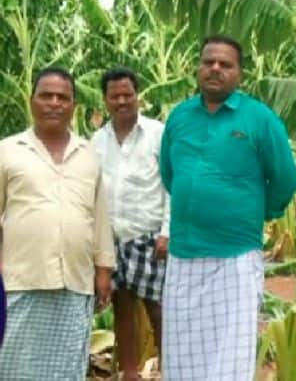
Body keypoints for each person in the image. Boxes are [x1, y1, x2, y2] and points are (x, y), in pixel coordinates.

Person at [159, 34, 296, 380]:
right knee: (181, 355)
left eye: (225, 64)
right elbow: (169, 173)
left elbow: (284, 179)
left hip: (234, 258)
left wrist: (256, 213)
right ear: (198, 68)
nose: (215, 69)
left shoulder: (259, 119)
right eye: (208, 62)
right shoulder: (179, 117)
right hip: (183, 257)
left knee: (229, 359)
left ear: (240, 73)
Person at [0, 67, 115, 380]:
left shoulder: (88, 153)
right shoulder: (7, 151)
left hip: (75, 283)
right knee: (7, 366)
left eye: (63, 97)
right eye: (46, 96)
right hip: (21, 280)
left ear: (73, 106)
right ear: (32, 101)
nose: (54, 103)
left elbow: (100, 216)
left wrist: (104, 269)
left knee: (64, 371)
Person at [90, 67, 168, 381]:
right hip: (113, 238)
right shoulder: (97, 140)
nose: (122, 101)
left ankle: (171, 370)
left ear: (138, 96)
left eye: (128, 94)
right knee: (122, 307)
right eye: (115, 96)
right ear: (106, 100)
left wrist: (167, 231)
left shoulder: (157, 134)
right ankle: (131, 372)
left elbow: (171, 186)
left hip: (149, 237)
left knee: (158, 309)